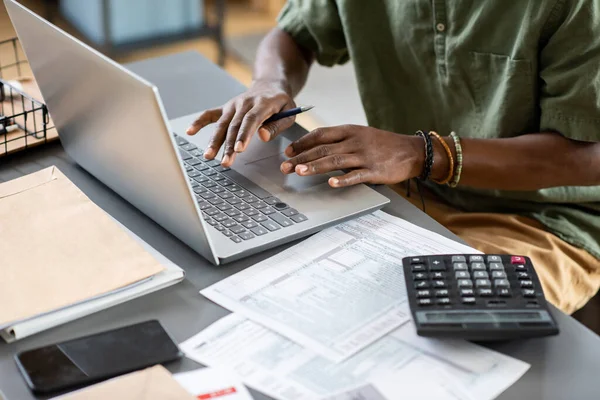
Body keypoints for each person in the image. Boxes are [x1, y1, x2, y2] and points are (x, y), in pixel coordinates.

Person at [186, 0, 600, 314]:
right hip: (402, 189)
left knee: (415, 324)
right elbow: (295, 33)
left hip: (542, 221)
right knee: (279, 285)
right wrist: (268, 82)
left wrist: (420, 152)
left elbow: (589, 156)